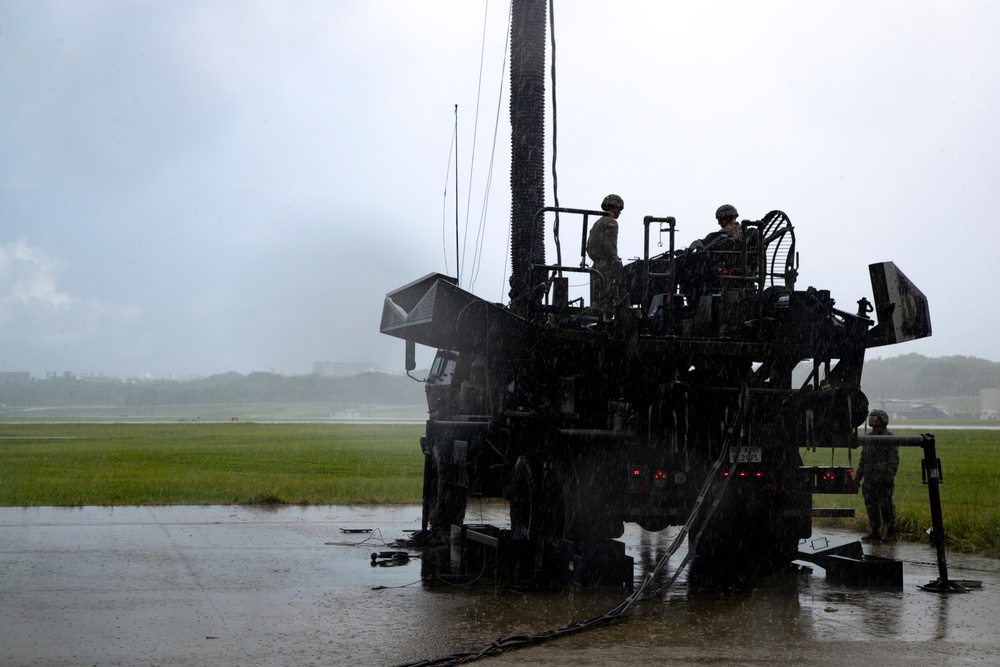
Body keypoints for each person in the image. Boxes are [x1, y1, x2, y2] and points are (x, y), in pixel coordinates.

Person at [857, 409, 899, 542]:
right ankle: (875, 532)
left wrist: (890, 475)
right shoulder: (868, 438)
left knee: (886, 505)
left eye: (875, 417)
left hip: (883, 478)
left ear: (882, 420)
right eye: (870, 416)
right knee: (871, 506)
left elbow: (893, 459)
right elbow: (863, 460)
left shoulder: (889, 437)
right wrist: (857, 478)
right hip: (869, 480)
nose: (871, 419)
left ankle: (891, 531)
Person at [587, 194, 625, 316]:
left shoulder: (597, 223)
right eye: (619, 209)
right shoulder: (611, 222)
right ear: (615, 208)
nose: (619, 212)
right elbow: (610, 245)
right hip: (606, 267)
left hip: (595, 267)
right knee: (608, 299)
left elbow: (589, 247)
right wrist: (616, 260)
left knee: (597, 301)